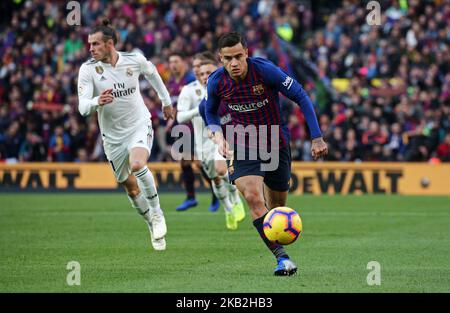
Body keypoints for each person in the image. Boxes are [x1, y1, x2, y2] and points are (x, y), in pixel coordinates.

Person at [204, 32, 328, 276]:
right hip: (242, 144)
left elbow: (301, 96)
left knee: (277, 208)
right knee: (252, 196)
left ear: (247, 53)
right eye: (228, 58)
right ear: (221, 58)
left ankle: (279, 238)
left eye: (239, 56)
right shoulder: (216, 82)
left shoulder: (265, 71)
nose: (234, 63)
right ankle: (283, 259)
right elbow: (210, 112)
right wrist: (218, 135)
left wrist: (316, 136)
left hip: (275, 143)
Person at [77, 19, 173, 251]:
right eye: (90, 44)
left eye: (96, 44)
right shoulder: (88, 69)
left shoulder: (134, 60)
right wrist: (96, 101)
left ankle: (158, 214)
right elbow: (82, 107)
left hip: (138, 124)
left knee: (138, 164)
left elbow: (153, 74)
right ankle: (151, 223)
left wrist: (166, 101)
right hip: (112, 137)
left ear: (110, 44)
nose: (91, 48)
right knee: (130, 187)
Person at [177, 52, 245, 229]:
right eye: (202, 73)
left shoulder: (224, 87)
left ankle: (236, 200)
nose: (205, 76)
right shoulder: (189, 90)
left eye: (209, 72)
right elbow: (179, 118)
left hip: (223, 137)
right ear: (197, 74)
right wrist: (197, 112)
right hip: (202, 143)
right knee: (215, 179)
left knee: (223, 170)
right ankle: (228, 209)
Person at [166, 52, 217, 212]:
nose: (173, 64)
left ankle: (216, 193)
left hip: (197, 128)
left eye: (176, 60)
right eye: (170, 61)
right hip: (183, 127)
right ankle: (191, 197)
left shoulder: (191, 81)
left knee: (199, 161)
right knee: (185, 161)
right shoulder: (173, 82)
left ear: (183, 63)